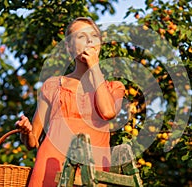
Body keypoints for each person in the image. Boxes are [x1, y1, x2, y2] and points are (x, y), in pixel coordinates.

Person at [15, 17, 125, 186]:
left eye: (94, 36)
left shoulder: (114, 87)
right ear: (69, 46)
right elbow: (32, 142)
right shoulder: (53, 85)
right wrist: (26, 131)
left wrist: (95, 67)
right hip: (50, 168)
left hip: (93, 172)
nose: (89, 41)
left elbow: (108, 112)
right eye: (81, 37)